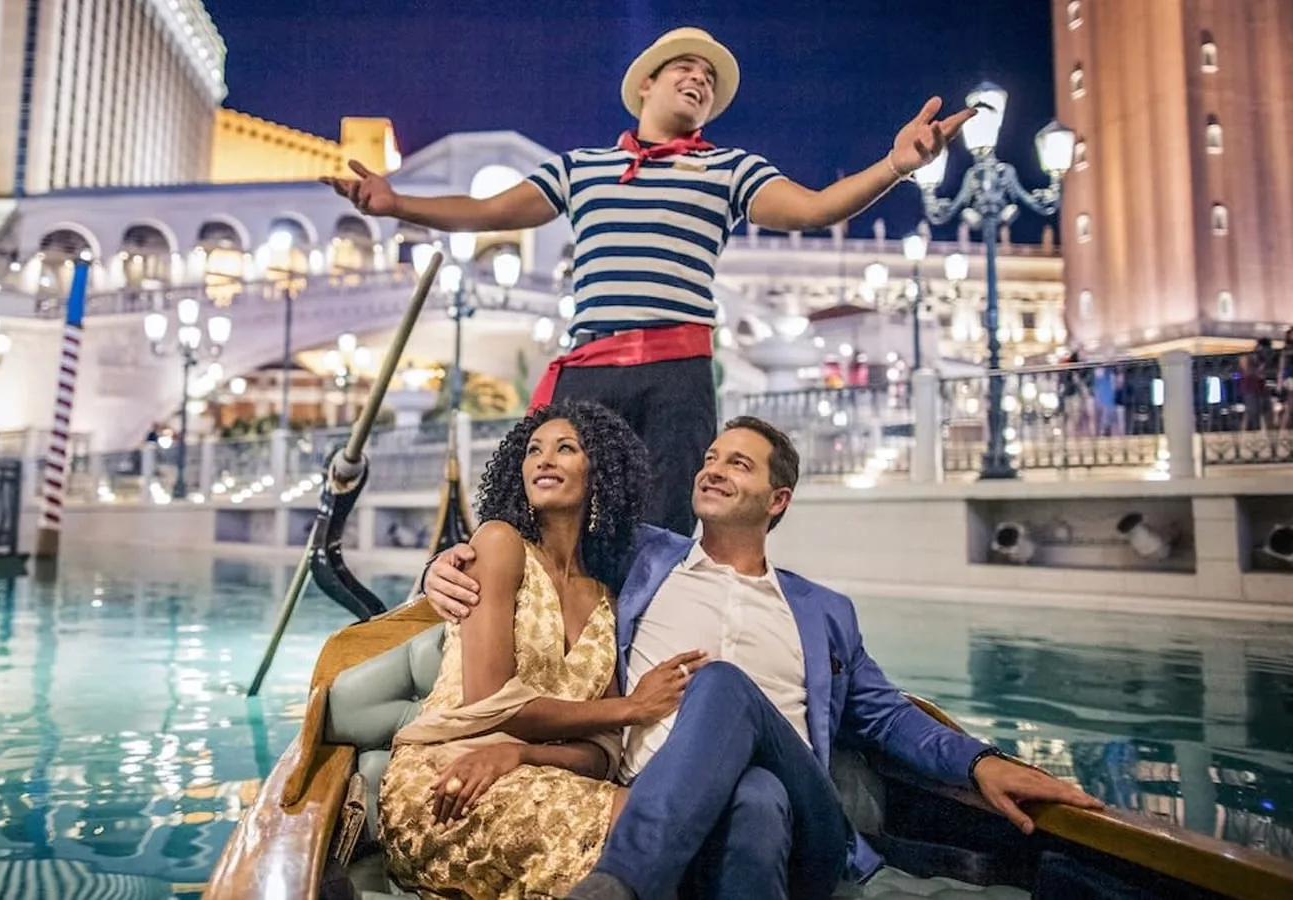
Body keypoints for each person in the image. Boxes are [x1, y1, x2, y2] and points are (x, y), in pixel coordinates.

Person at [324, 27, 977, 538]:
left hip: (677, 377)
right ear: (647, 86)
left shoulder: (731, 169)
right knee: (559, 522)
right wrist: (396, 203)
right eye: (685, 70)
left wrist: (896, 165)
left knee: (663, 530)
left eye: (708, 79)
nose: (699, 80)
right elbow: (488, 212)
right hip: (590, 372)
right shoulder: (581, 168)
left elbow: (814, 209)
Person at [423, 417, 1104, 899]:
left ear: (777, 501)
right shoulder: (640, 561)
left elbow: (889, 716)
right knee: (753, 796)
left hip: (809, 826)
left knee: (722, 686)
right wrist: (445, 568)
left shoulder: (822, 611)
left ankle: (619, 885)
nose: (713, 470)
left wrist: (981, 761)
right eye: (710, 458)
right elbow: (543, 546)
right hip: (668, 804)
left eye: (738, 464)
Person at [379, 400, 710, 899]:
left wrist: (519, 754)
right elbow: (490, 701)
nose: (544, 460)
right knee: (646, 824)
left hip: (529, 774)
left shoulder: (607, 601)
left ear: (600, 474)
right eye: (533, 450)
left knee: (660, 824)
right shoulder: (499, 544)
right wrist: (632, 707)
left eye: (566, 448)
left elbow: (602, 752)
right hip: (445, 781)